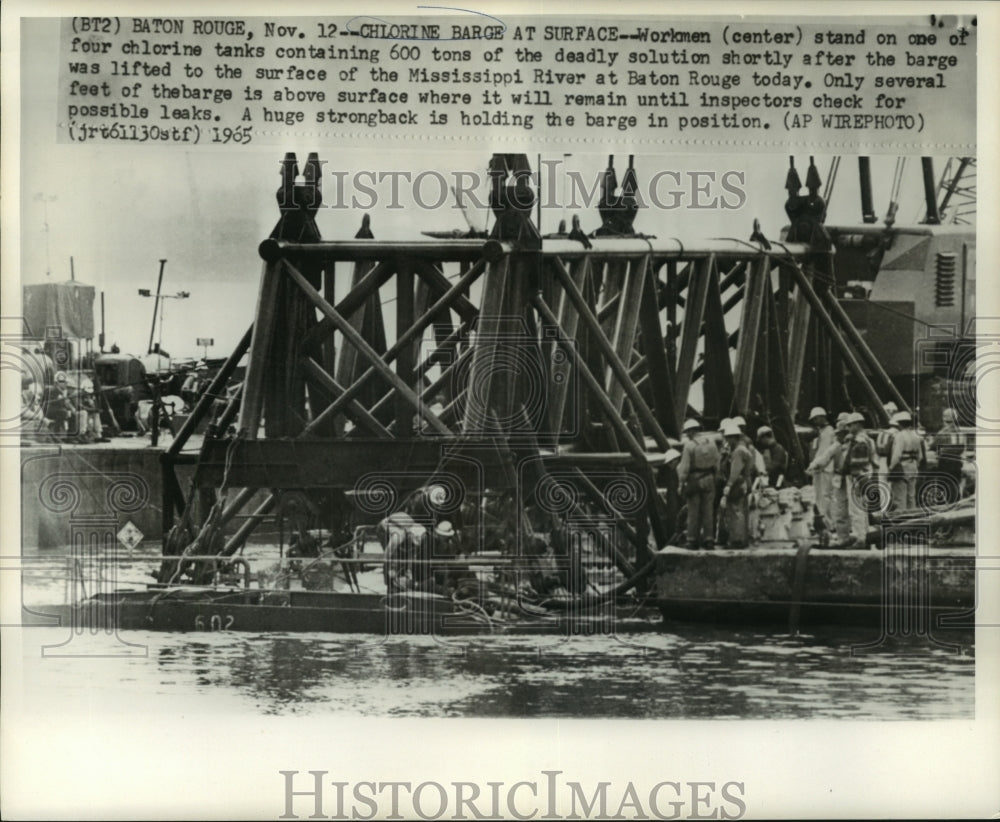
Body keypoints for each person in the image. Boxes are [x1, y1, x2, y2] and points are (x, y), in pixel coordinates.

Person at [676, 418, 720, 550]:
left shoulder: (689, 445)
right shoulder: (712, 443)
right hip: (710, 479)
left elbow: (684, 468)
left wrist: (681, 484)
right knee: (708, 510)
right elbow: (717, 462)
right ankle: (709, 539)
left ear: (690, 432)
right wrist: (716, 477)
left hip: (695, 480)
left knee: (693, 511)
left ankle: (692, 540)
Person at [842, 411, 879, 548]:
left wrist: (857, 479)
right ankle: (864, 535)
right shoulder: (868, 439)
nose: (849, 428)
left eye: (850, 425)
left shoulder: (859, 442)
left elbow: (858, 463)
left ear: (857, 425)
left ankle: (860, 538)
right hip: (865, 475)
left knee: (856, 509)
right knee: (863, 508)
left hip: (857, 477)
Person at [718, 421, 754, 549]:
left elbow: (735, 470)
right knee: (741, 510)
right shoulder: (743, 449)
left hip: (738, 483)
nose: (727, 441)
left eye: (728, 438)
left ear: (733, 437)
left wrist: (728, 485)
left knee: (735, 511)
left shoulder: (738, 452)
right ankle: (741, 539)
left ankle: (737, 540)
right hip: (744, 482)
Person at [805, 407, 836, 542]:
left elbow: (823, 453)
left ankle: (827, 525)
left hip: (824, 469)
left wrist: (814, 466)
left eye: (816, 419)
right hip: (820, 468)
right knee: (820, 497)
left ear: (822, 417)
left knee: (824, 497)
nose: (815, 422)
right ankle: (824, 524)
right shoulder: (822, 432)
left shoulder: (828, 432)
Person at [888, 411, 925, 512]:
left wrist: (891, 468)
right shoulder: (917, 436)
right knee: (911, 497)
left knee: (900, 497)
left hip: (902, 468)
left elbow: (897, 455)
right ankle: (913, 520)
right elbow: (920, 456)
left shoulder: (900, 436)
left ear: (900, 423)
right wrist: (915, 465)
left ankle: (901, 522)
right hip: (913, 467)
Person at [933, 407, 964, 503]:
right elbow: (961, 448)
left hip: (945, 463)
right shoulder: (960, 433)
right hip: (957, 463)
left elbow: (934, 446)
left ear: (944, 418)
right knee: (955, 487)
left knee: (943, 488)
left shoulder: (942, 433)